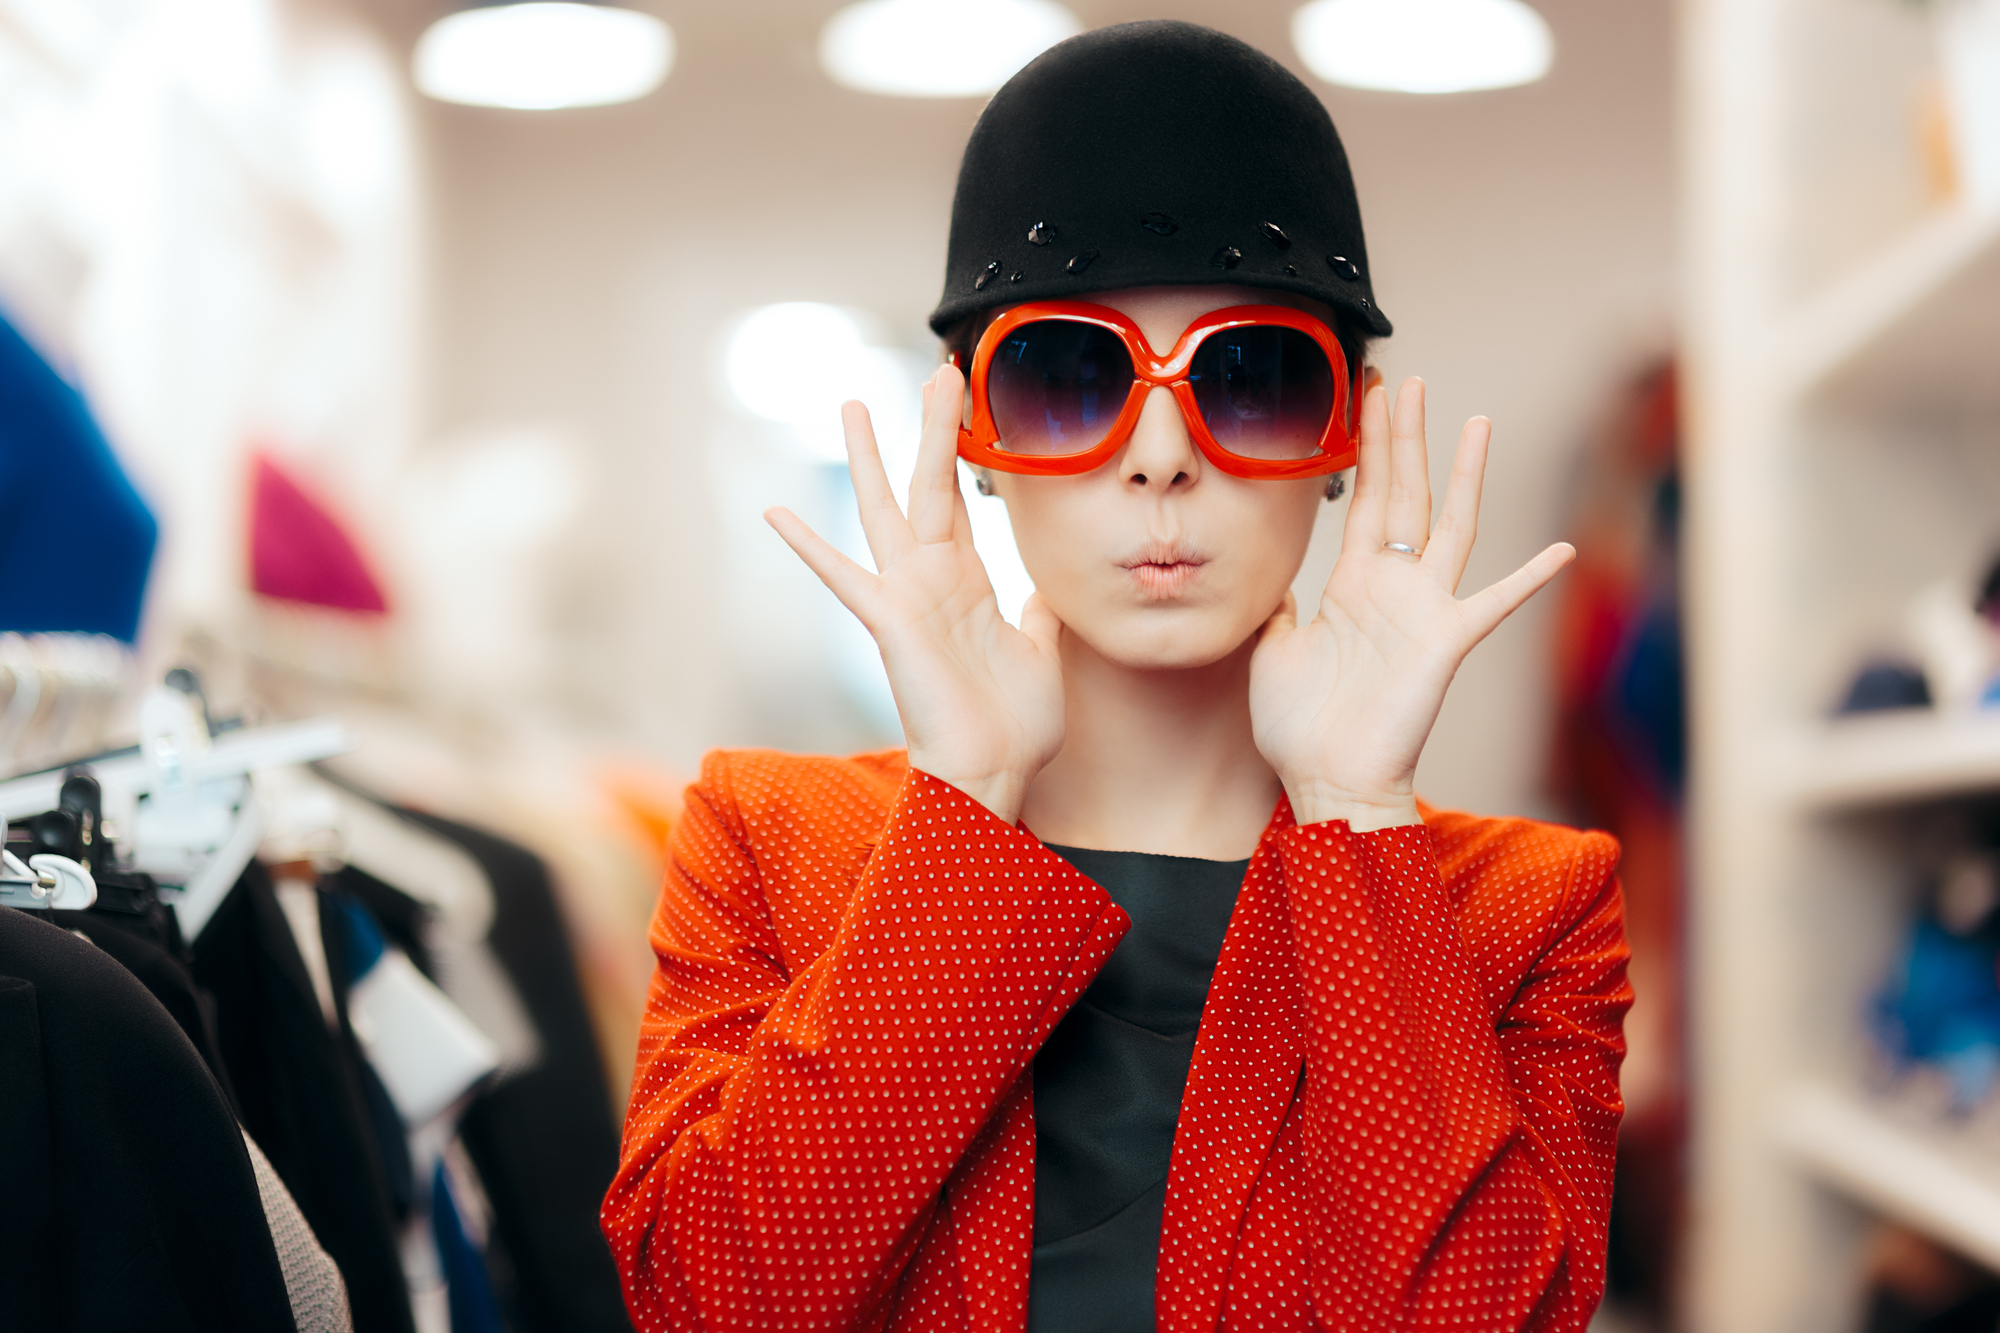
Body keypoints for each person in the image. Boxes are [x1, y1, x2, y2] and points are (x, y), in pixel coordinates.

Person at [602, 21, 1631, 1333]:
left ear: (1343, 436)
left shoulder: (1530, 912)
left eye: (1249, 379)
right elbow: (710, 1306)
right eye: (1067, 375)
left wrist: (1354, 808)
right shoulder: (767, 842)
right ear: (972, 431)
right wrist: (966, 798)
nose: (1159, 457)